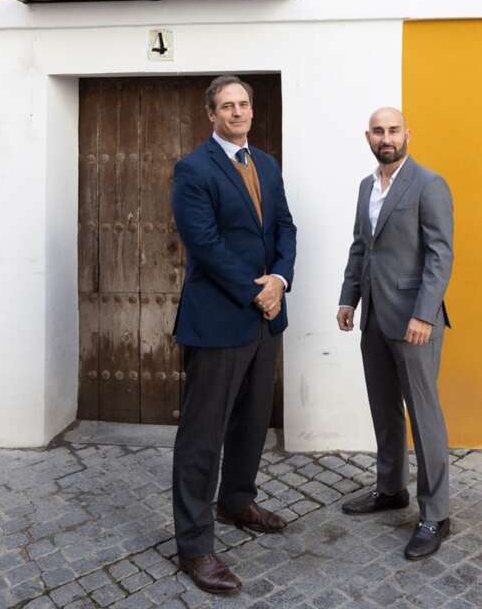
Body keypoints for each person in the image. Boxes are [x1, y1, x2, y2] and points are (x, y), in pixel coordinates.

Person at [170, 75, 297, 596]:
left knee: (251, 421)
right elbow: (204, 244)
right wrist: (256, 291)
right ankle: (196, 546)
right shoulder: (193, 169)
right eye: (227, 106)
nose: (238, 112)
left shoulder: (266, 163)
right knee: (203, 436)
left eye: (244, 104)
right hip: (220, 318)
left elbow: (286, 228)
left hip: (266, 317)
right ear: (212, 115)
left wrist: (281, 280)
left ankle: (238, 501)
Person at [336, 106, 454, 560]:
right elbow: (360, 247)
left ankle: (436, 514)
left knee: (423, 417)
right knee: (384, 410)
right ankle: (390, 489)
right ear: (368, 136)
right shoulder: (367, 186)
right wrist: (349, 299)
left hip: (415, 322)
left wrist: (424, 314)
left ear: (408, 133)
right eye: (378, 131)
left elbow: (440, 255)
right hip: (374, 319)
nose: (387, 138)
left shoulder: (428, 184)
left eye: (394, 130)